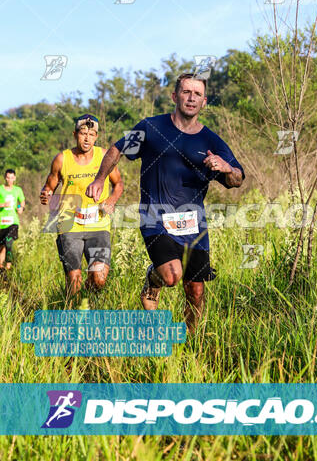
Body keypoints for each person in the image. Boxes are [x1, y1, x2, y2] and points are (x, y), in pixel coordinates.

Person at [86, 74, 245, 332]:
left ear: (204, 102)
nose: (191, 97)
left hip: (195, 224)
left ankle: (190, 339)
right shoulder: (151, 127)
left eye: (197, 94)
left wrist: (227, 167)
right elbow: (117, 149)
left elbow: (237, 178)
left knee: (195, 290)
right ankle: (154, 278)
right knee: (172, 276)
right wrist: (99, 179)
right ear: (175, 96)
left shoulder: (210, 141)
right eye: (186, 92)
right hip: (155, 218)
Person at [40, 114, 123, 297]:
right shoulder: (62, 159)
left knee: (99, 279)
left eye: (92, 134)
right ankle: (74, 314)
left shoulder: (104, 156)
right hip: (69, 223)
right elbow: (50, 185)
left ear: (96, 136)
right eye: (83, 133)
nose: (87, 138)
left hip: (98, 224)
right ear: (75, 134)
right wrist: (46, 193)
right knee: (74, 279)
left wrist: (111, 201)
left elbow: (118, 184)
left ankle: (87, 301)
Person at [0, 169, 25, 271]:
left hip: (13, 222)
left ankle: (8, 266)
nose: (9, 180)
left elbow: (22, 202)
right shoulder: (0, 189)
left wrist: (20, 208)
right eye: (8, 177)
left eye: (11, 177)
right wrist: (3, 205)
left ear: (14, 178)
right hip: (1, 222)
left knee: (9, 242)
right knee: (2, 247)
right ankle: (1, 268)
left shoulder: (17, 190)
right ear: (5, 178)